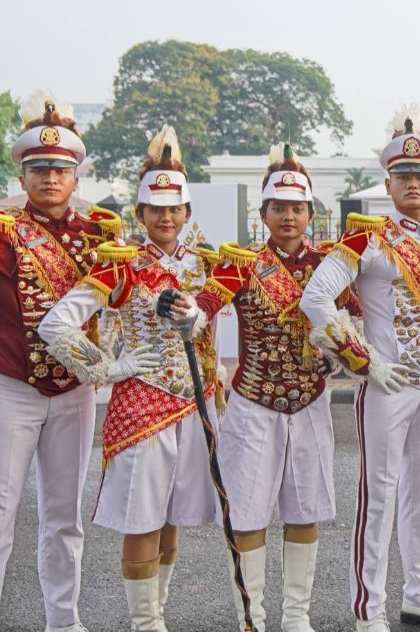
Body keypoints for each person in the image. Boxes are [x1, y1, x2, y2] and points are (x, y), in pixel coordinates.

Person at [39, 125, 220, 631]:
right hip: (142, 406)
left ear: (186, 212)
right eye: (155, 210)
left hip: (193, 405)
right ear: (140, 214)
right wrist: (106, 368)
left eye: (174, 209)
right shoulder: (121, 266)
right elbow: (56, 322)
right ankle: (144, 625)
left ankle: (156, 617)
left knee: (169, 517)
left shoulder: (203, 264)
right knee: (142, 517)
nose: (166, 218)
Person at [301, 105, 420, 632]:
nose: (413, 183)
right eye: (404, 176)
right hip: (387, 386)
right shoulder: (366, 239)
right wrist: (363, 359)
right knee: (379, 496)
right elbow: (316, 299)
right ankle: (368, 609)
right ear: (389, 182)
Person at [197, 143, 354, 631]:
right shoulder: (240, 263)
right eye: (279, 208)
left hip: (309, 402)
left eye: (298, 208)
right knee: (247, 510)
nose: (289, 216)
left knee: (304, 506)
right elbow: (202, 306)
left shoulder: (330, 266)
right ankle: (253, 616)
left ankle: (297, 616)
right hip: (252, 404)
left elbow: (355, 321)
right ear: (263, 213)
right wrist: (183, 316)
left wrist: (341, 352)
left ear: (311, 213)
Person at [0, 93, 121, 632]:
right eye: (39, 169)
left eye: (60, 170)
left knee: (64, 516)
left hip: (74, 391)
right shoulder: (4, 230)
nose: (50, 178)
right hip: (11, 386)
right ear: (22, 176)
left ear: (76, 176)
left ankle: (64, 622)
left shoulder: (100, 236)